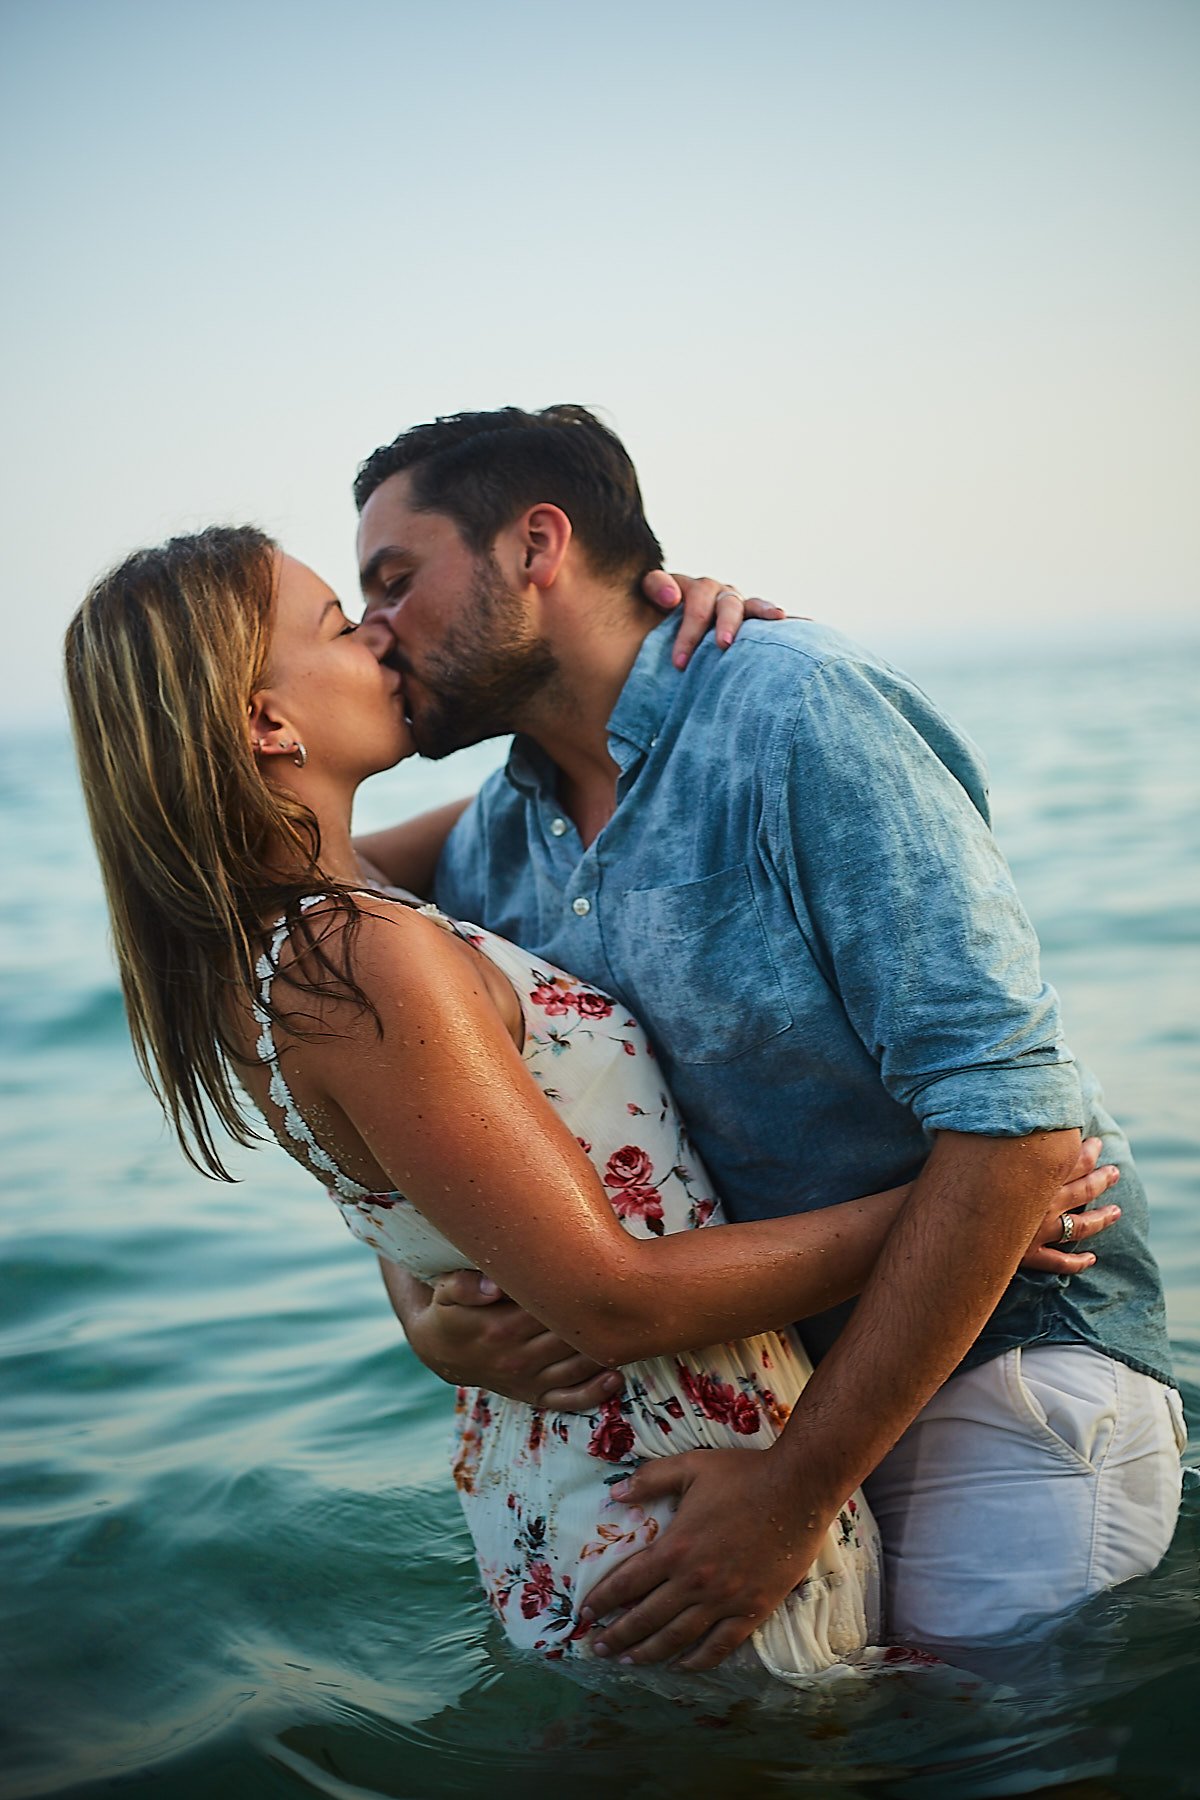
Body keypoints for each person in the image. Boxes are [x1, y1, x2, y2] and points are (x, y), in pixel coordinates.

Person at [62, 526, 1114, 1689]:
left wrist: (663, 652)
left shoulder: (278, 945)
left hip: (570, 1490)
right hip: (679, 1495)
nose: (377, 633)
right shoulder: (361, 954)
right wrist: (977, 1205)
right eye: (337, 624)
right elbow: (615, 1301)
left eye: (387, 592)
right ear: (268, 723)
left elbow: (411, 1171)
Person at [351, 404, 1185, 1671]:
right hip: (759, 1398)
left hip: (1009, 1357)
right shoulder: (495, 838)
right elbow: (309, 993)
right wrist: (421, 1311)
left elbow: (1018, 1141)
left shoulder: (796, 713)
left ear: (536, 546)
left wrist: (794, 1495)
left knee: (989, 1756)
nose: (373, 631)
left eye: (394, 582)